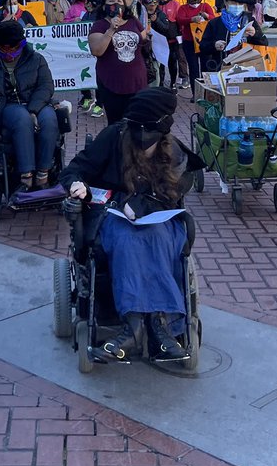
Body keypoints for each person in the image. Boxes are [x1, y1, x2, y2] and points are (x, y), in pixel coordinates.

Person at [60, 88, 200, 362]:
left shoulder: (173, 153)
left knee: (156, 237)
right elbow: (74, 169)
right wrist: (76, 184)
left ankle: (158, 327)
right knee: (128, 238)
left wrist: (144, 203)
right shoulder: (114, 136)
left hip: (159, 217)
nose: (143, 141)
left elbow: (174, 192)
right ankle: (135, 325)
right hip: (113, 212)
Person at [0, 19, 58, 191]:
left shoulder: (36, 59)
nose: (9, 52)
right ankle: (26, 175)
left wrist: (34, 109)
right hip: (8, 107)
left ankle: (44, 172)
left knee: (49, 118)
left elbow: (46, 87)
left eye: (13, 47)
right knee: (21, 118)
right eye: (4, 48)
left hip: (36, 103)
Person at [87, 0, 150, 124]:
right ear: (104, 6)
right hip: (112, 84)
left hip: (137, 82)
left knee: (138, 123)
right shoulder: (99, 26)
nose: (116, 4)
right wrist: (111, 30)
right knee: (117, 124)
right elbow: (97, 51)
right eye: (112, 1)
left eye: (119, 1)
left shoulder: (133, 21)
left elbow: (143, 36)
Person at [199, 0, 267, 75]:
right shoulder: (215, 23)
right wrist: (214, 45)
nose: (237, 5)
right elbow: (203, 46)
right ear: (225, 3)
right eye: (233, 3)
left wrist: (255, 34)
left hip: (245, 66)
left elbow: (264, 42)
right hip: (221, 67)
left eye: (240, 3)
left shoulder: (249, 20)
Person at [175, 0, 216, 99]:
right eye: (192, 1)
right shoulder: (183, 8)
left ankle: (207, 93)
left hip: (204, 41)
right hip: (189, 41)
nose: (194, 3)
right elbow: (180, 19)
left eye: (196, 0)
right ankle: (195, 94)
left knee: (205, 67)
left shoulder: (205, 6)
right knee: (193, 68)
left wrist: (206, 16)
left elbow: (213, 18)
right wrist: (191, 19)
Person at [144, 0, 175, 88]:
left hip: (158, 46)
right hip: (144, 47)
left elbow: (166, 29)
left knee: (158, 69)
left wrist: (156, 21)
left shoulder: (160, 14)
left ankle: (159, 87)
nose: (152, 5)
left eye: (154, 2)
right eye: (149, 2)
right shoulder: (141, 14)